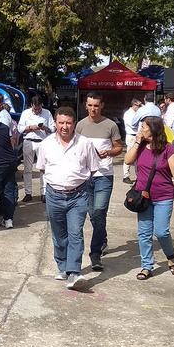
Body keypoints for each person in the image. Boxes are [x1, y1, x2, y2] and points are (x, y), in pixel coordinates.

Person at [35, 106, 99, 290]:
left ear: (74, 124)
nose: (65, 127)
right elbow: (42, 167)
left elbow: (92, 167)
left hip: (78, 196)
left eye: (69, 123)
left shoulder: (85, 143)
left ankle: (74, 273)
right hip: (54, 195)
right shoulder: (46, 144)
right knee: (59, 235)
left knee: (75, 233)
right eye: (61, 122)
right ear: (55, 123)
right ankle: (62, 265)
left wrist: (75, 180)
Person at [123, 116, 174, 280]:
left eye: (143, 127)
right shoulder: (141, 146)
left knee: (161, 231)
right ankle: (147, 266)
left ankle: (171, 257)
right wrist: (137, 142)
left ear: (153, 129)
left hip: (163, 196)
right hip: (143, 197)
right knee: (144, 233)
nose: (141, 129)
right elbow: (127, 160)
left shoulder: (167, 149)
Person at [75, 92, 123, 272]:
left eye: (96, 105)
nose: (93, 109)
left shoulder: (110, 125)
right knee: (93, 214)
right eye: (90, 105)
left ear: (102, 105)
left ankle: (95, 254)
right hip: (85, 176)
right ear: (85, 106)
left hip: (104, 175)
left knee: (99, 211)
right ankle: (102, 238)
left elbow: (119, 147)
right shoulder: (80, 125)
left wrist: (109, 152)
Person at [17, 96, 55, 202]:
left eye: (39, 109)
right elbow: (19, 128)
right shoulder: (25, 113)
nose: (37, 111)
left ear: (41, 105)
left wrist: (44, 128)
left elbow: (53, 128)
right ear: (31, 106)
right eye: (35, 109)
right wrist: (30, 127)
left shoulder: (47, 113)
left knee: (43, 168)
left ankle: (44, 193)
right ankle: (28, 193)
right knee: (27, 169)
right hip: (29, 141)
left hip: (42, 142)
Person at [121, 98, 142, 184]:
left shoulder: (137, 113)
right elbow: (133, 125)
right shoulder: (128, 114)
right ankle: (126, 175)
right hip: (131, 136)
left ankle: (139, 175)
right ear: (134, 105)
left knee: (138, 157)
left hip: (137, 136)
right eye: (138, 105)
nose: (140, 107)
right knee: (129, 155)